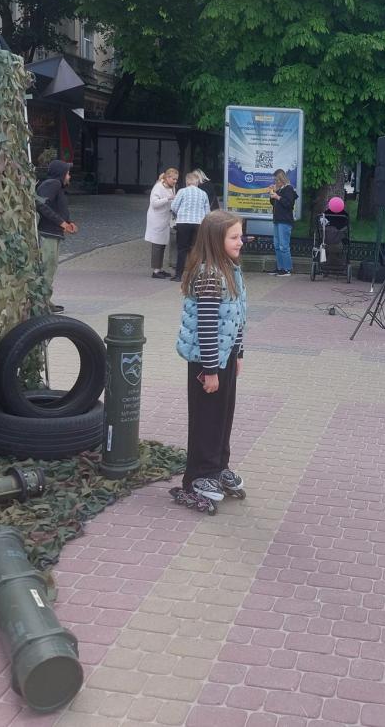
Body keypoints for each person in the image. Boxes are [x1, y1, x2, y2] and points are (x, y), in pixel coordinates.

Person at [170, 209, 248, 515]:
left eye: (240, 235)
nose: (241, 241)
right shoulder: (207, 274)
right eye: (234, 237)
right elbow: (206, 326)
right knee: (206, 419)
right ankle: (198, 476)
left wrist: (239, 353)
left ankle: (218, 466)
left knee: (223, 415)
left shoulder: (230, 268)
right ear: (216, 239)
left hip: (225, 357)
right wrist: (211, 369)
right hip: (207, 361)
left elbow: (239, 317)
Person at [35, 159, 77, 313]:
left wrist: (68, 222)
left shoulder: (56, 186)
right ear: (61, 173)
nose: (69, 176)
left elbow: (57, 207)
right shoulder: (53, 184)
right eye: (68, 173)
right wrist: (62, 223)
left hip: (52, 233)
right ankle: (42, 304)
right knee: (48, 267)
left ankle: (45, 300)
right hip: (48, 233)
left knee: (51, 267)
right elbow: (40, 204)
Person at [170, 172, 211, 280]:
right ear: (197, 182)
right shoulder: (203, 193)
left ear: (187, 181)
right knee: (196, 249)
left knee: (182, 249)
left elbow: (173, 206)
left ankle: (178, 275)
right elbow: (207, 212)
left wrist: (180, 212)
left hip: (183, 222)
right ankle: (197, 275)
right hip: (198, 224)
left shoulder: (182, 191)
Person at [145, 168, 178, 279]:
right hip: (157, 220)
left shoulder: (171, 187)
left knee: (162, 244)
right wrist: (168, 198)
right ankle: (155, 271)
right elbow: (154, 203)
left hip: (165, 219)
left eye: (176, 179)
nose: (175, 181)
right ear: (167, 177)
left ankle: (159, 269)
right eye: (173, 179)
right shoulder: (158, 187)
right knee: (157, 244)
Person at [268, 169, 298, 276]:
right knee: (277, 245)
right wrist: (272, 193)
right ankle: (280, 267)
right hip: (277, 219)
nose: (276, 182)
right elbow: (273, 203)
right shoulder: (280, 189)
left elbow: (289, 204)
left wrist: (278, 197)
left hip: (285, 220)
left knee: (283, 246)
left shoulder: (288, 189)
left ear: (281, 179)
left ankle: (287, 269)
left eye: (277, 180)